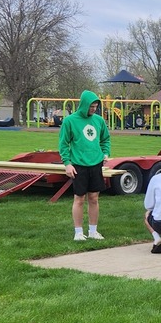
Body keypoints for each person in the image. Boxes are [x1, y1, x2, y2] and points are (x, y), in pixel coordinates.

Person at [58, 90, 111, 242]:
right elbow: (63, 144)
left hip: (96, 163)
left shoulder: (99, 121)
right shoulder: (70, 121)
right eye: (91, 106)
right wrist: (67, 164)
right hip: (78, 164)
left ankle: (93, 231)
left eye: (95, 106)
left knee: (94, 198)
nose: (93, 109)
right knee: (79, 199)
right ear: (83, 105)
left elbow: (105, 139)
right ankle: (78, 232)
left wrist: (105, 153)